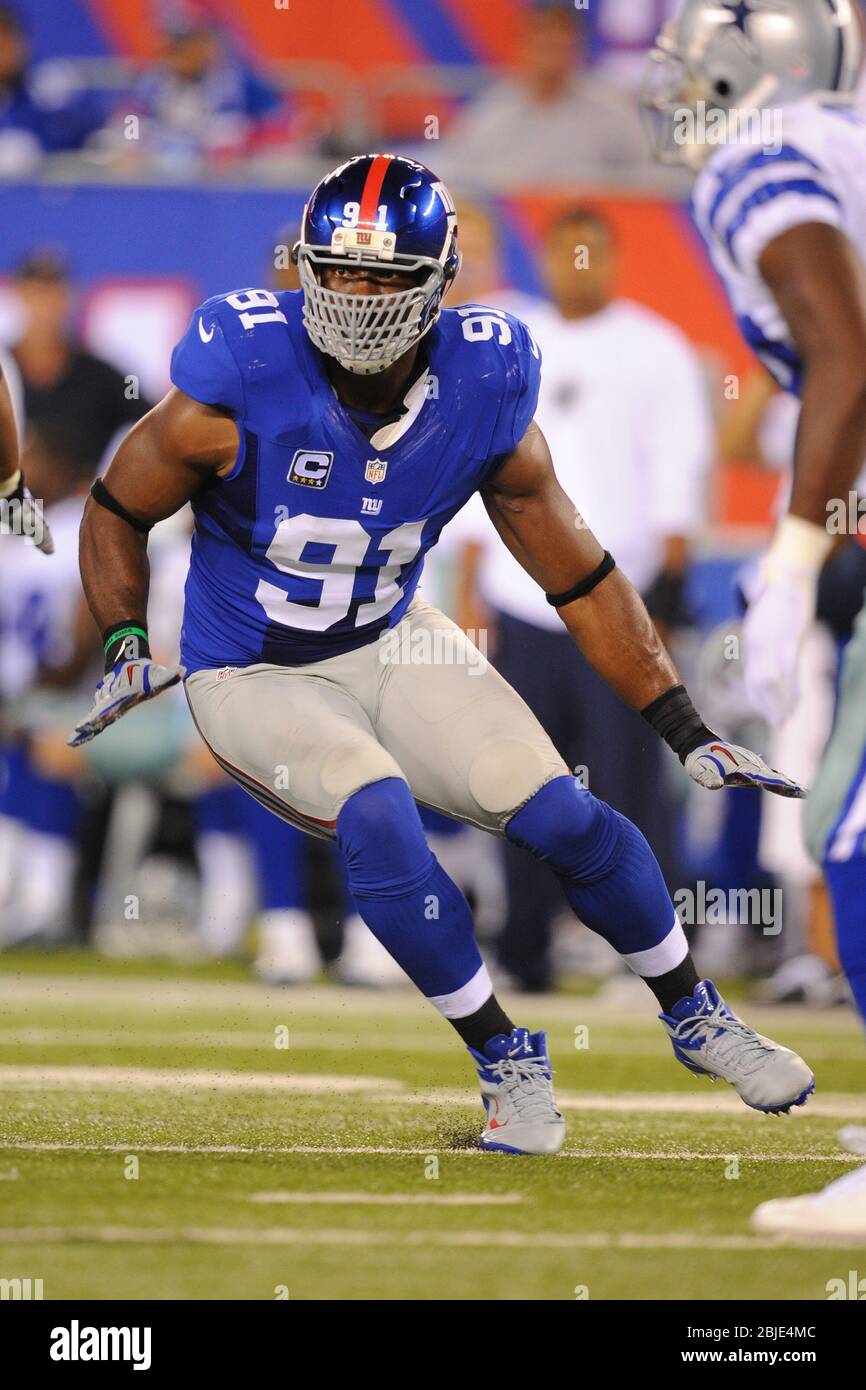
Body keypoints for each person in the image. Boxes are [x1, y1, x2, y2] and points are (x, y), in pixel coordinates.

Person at [70, 152, 811, 1157]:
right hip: (252, 668)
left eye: (385, 277)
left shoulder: (485, 378)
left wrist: (680, 723)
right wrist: (121, 639)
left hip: (390, 635)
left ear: (439, 280)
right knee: (377, 811)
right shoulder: (240, 368)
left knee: (565, 815)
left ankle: (691, 1012)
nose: (360, 298)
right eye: (341, 270)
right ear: (307, 264)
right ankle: (506, 1061)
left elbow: (579, 575)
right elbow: (116, 507)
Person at [644, 0, 866, 1232]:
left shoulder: (758, 154)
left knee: (849, 829)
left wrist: (787, 564)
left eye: (693, 58)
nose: (673, 80)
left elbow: (846, 353)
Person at [453, 205, 712, 988]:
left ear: (613, 258)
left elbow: (679, 479)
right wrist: (471, 597)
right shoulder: (514, 339)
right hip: (519, 600)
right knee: (520, 780)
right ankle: (524, 949)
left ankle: (656, 960)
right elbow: (479, 476)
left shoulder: (654, 348)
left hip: (612, 603)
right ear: (544, 258)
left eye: (591, 251)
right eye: (563, 251)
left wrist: (662, 597)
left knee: (630, 783)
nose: (577, 265)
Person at [438, 1, 649, 188]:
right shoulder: (489, 113)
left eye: (560, 45)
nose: (552, 57)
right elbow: (457, 177)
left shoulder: (612, 110)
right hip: (511, 227)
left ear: (578, 47)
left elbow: (652, 178)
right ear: (523, 45)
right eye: (544, 45)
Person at [11, 250, 152, 477]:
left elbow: (150, 424)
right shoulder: (4, 369)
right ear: (20, 296)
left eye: (52, 293)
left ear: (69, 298)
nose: (44, 306)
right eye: (36, 293)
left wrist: (108, 485)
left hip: (81, 508)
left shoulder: (103, 378)